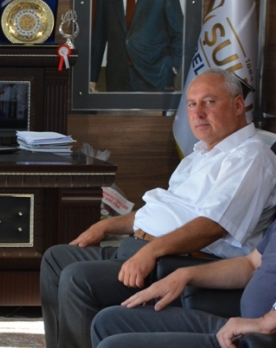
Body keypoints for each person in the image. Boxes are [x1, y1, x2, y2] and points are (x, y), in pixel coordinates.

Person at [40, 68, 276, 348]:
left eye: (209, 102)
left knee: (79, 280)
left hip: (182, 259)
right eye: (192, 104)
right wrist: (106, 225)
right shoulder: (202, 153)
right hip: (146, 247)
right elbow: (166, 210)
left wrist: (150, 251)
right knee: (56, 258)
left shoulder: (249, 157)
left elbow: (212, 226)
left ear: (238, 106)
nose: (198, 113)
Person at [90, 216, 276, 347]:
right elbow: (251, 263)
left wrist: (266, 322)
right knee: (109, 321)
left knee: (116, 346)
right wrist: (185, 274)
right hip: (244, 328)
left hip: (260, 336)